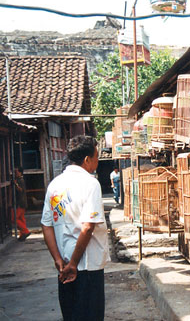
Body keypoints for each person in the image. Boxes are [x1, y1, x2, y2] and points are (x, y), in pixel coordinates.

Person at [41, 135, 110, 321]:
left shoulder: (55, 185)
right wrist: (73, 263)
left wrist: (58, 260)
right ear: (87, 160)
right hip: (87, 265)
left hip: (63, 265)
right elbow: (87, 227)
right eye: (96, 156)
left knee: (71, 316)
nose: (97, 160)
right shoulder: (90, 183)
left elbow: (46, 225)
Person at [14, 167, 31, 242]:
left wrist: (15, 184)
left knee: (14, 218)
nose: (15, 173)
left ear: (20, 172)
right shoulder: (20, 180)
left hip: (20, 203)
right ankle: (22, 234)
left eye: (16, 172)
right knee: (21, 218)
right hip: (23, 202)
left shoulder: (20, 180)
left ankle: (25, 231)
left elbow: (21, 190)